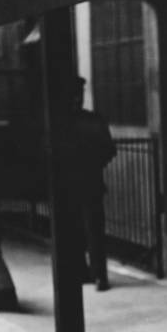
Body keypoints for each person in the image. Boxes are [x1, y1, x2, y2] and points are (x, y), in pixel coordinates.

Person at [66, 76, 116, 291]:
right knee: (93, 231)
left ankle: (88, 273)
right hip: (91, 181)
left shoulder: (64, 123)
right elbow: (109, 150)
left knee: (80, 230)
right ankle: (97, 275)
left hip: (73, 184)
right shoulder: (94, 120)